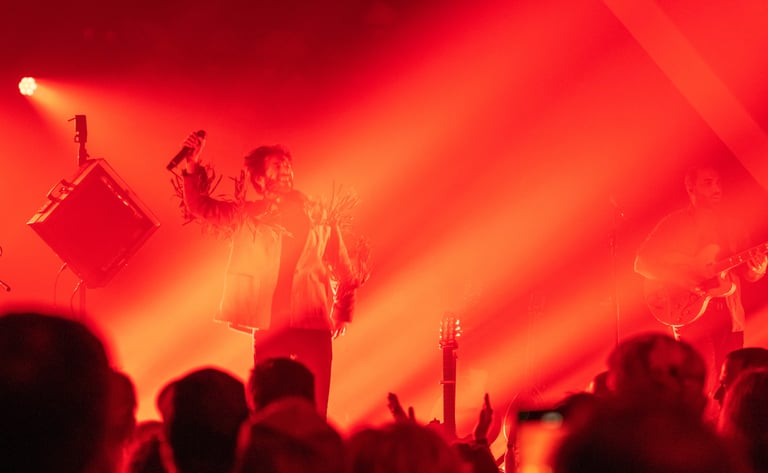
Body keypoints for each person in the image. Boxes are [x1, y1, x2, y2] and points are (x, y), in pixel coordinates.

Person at [176, 131, 367, 416]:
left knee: (314, 408)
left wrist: (342, 310)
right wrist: (191, 166)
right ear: (260, 178)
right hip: (270, 326)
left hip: (312, 323)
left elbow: (343, 267)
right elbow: (201, 206)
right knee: (267, 407)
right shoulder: (249, 215)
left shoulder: (319, 215)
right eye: (277, 165)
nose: (286, 169)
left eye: (288, 164)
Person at [634, 163, 767, 393]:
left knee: (731, 388)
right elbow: (641, 263)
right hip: (690, 316)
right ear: (690, 187)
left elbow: (747, 273)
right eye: (708, 183)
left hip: (729, 316)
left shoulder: (734, 225)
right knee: (700, 387)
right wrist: (681, 279)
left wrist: (758, 268)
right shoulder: (674, 224)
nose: (717, 188)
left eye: (718, 183)